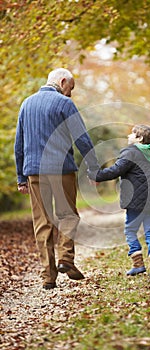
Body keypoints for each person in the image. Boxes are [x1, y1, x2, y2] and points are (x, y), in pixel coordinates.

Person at [14, 68, 99, 290]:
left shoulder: (27, 104)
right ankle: (65, 259)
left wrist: (21, 177)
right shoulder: (64, 104)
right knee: (68, 215)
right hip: (61, 170)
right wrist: (94, 168)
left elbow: (19, 144)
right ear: (62, 82)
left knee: (42, 222)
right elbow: (82, 138)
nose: (69, 93)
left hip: (34, 171)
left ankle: (48, 277)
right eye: (70, 88)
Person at [88, 124, 150, 278]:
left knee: (130, 230)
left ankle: (138, 264)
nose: (129, 136)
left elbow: (115, 170)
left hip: (135, 201)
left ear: (139, 138)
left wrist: (96, 175)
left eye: (132, 134)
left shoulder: (131, 153)